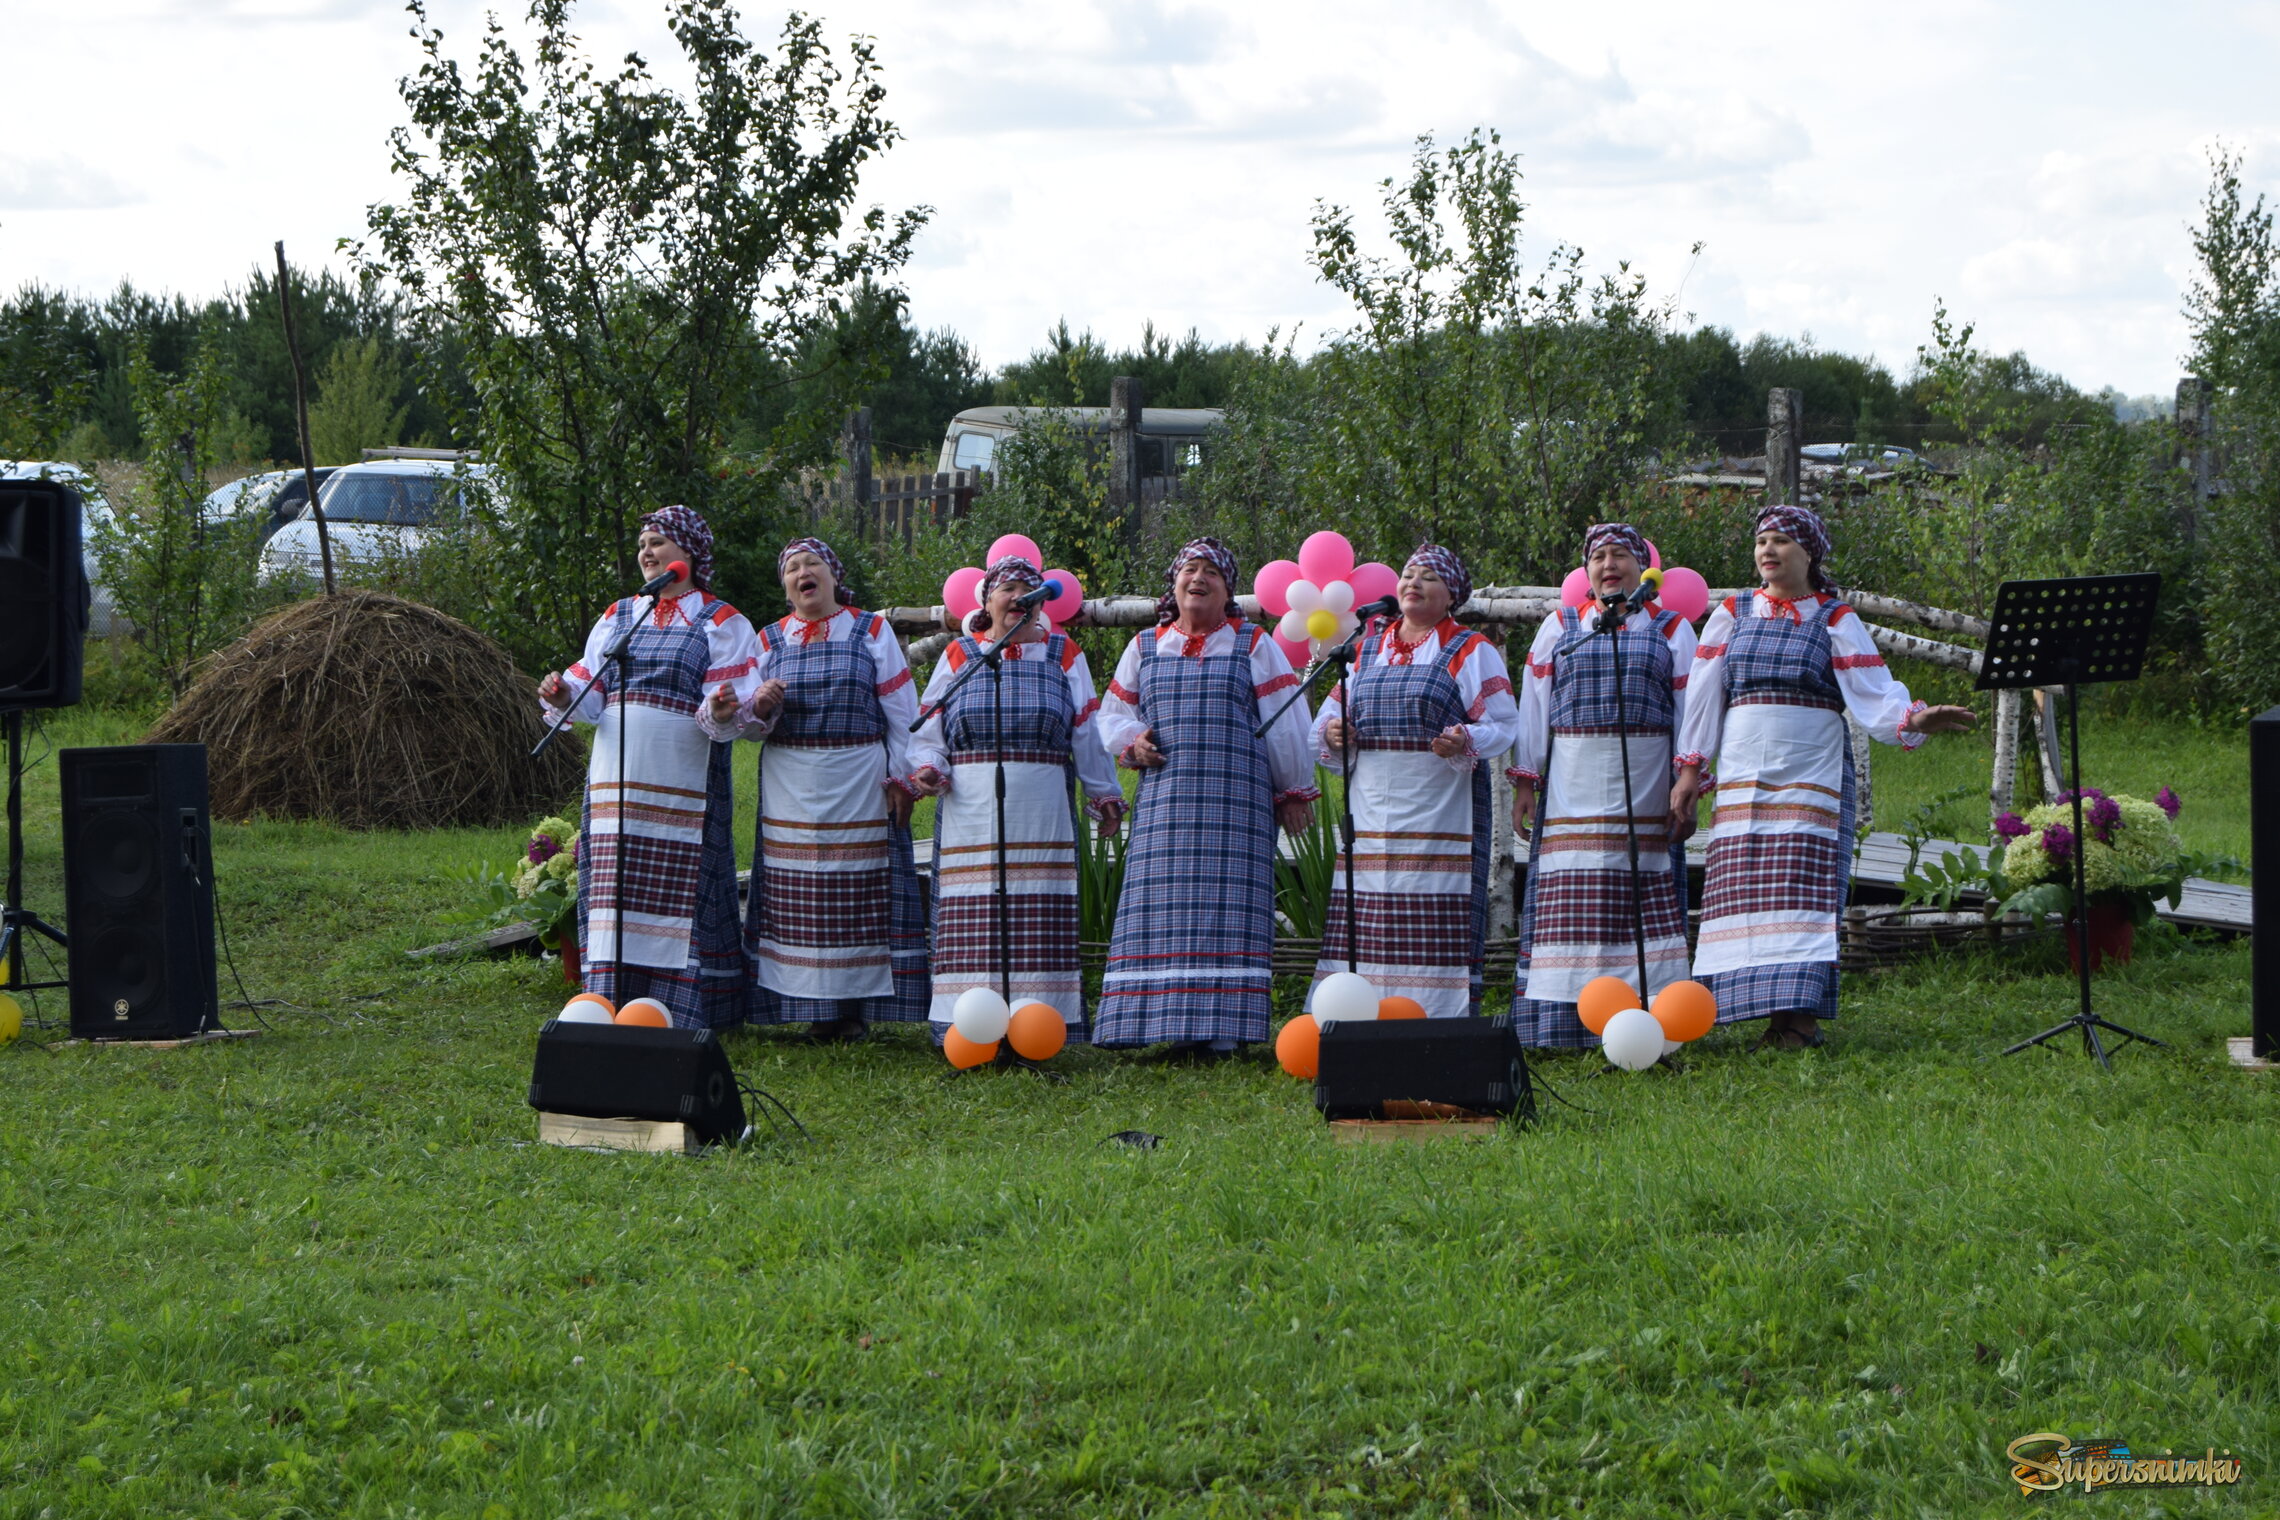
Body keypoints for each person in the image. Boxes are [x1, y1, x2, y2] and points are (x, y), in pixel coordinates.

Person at [1671, 504, 1976, 1049]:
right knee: (1742, 887)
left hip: (1811, 770)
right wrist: (1691, 769)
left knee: (1802, 890)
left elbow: (1875, 693)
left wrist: (1914, 718)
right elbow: (1703, 696)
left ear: (1809, 554)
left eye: (1782, 542)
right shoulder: (1732, 612)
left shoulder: (1835, 619)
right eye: (1762, 541)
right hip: (1744, 772)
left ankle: (1801, 1023)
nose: (1768, 550)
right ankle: (1763, 1014)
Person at [1092, 539, 1321, 1055]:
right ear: (1174, 585)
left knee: (1230, 909)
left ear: (1227, 589)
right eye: (1189, 570)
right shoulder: (1146, 646)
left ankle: (1225, 1031)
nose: (1198, 578)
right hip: (1166, 805)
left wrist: (1291, 790)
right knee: (1160, 910)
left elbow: (1284, 723)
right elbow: (1110, 715)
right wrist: (1133, 743)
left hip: (1236, 803)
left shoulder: (1253, 643)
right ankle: (1158, 1024)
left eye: (1211, 572)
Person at [538, 505, 757, 1029]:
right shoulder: (620, 614)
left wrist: (724, 708)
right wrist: (563, 690)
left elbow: (729, 706)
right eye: (642, 544)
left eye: (657, 542)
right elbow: (590, 695)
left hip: (681, 778)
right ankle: (610, 995)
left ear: (689, 554)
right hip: (615, 784)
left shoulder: (722, 621)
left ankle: (678, 1005)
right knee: (614, 883)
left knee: (678, 888)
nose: (646, 552)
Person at [702, 537, 929, 1041]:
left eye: (813, 564)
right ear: (787, 588)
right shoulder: (767, 641)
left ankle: (854, 1011)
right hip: (792, 783)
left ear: (832, 576)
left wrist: (901, 779)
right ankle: (809, 1008)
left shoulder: (871, 629)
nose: (803, 573)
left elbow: (902, 713)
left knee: (858, 894)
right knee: (796, 896)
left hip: (860, 778)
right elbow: (746, 727)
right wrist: (758, 706)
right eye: (792, 569)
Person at [907, 555, 1126, 1041]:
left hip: (1041, 808)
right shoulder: (960, 654)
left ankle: (1039, 1023)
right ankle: (968, 1023)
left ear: (1040, 605)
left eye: (1027, 589)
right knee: (974, 911)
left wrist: (1105, 793)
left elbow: (1087, 731)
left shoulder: (1063, 653)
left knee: (1038, 910)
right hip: (971, 810)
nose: (1015, 597)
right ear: (986, 601)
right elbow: (929, 729)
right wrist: (928, 768)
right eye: (1005, 588)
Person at [1507, 523, 1698, 1047]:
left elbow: (1690, 708)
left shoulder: (1672, 629)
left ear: (1643, 568)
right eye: (1599, 557)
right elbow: (1535, 706)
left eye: (1621, 556)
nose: (1609, 564)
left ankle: (1650, 1019)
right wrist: (1527, 779)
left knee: (1635, 893)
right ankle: (1561, 1025)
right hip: (1573, 786)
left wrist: (1689, 777)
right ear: (1586, 572)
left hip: (1645, 782)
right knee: (1570, 900)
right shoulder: (1563, 625)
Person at [1312, 544, 1517, 1017]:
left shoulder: (1469, 649)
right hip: (1370, 806)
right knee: (1370, 910)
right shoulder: (1364, 648)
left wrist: (1464, 737)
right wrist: (1333, 730)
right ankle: (1356, 1011)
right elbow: (1326, 717)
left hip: (1439, 806)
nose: (1413, 583)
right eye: (1408, 574)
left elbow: (1504, 724)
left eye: (1428, 576)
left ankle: (1434, 1013)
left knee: (1432, 909)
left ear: (1451, 595)